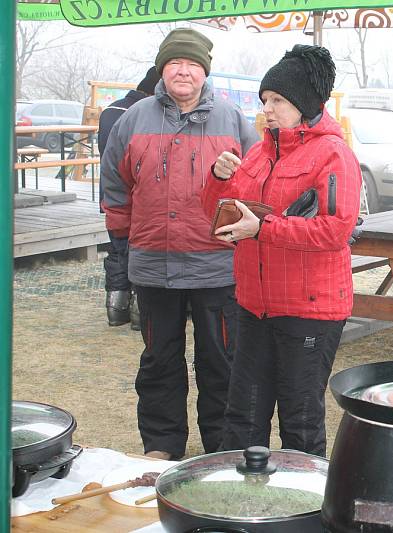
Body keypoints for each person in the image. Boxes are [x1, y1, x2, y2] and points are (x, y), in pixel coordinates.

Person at [101, 28, 260, 460]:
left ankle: (221, 451)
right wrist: (123, 246)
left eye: (191, 65)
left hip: (217, 269)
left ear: (204, 72)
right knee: (158, 362)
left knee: (221, 363)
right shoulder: (133, 118)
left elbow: (259, 189)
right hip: (152, 266)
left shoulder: (233, 121)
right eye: (175, 64)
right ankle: (161, 446)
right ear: (162, 69)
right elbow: (115, 186)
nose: (183, 71)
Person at [201, 44, 361, 458]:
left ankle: (306, 514)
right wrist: (218, 181)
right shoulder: (258, 152)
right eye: (265, 100)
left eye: (278, 101)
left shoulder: (334, 155)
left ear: (304, 104)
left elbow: (335, 230)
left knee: (300, 420)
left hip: (310, 310)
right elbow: (220, 216)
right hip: (254, 305)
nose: (268, 109)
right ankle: (237, 508)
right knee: (243, 417)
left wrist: (264, 228)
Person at [98, 66, 160, 330]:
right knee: (140, 253)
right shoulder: (145, 115)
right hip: (139, 195)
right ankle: (139, 311)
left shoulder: (111, 109)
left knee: (117, 250)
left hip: (110, 193)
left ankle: (116, 307)